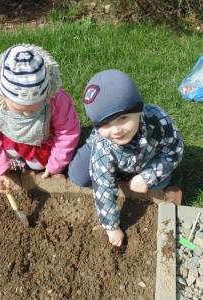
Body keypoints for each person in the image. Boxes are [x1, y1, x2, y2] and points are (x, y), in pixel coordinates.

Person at [68, 70, 184, 247]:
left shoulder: (158, 121)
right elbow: (103, 187)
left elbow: (174, 150)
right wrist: (111, 227)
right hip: (109, 154)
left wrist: (147, 176)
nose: (116, 130)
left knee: (159, 184)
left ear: (139, 111)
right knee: (78, 175)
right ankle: (115, 169)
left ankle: (132, 174)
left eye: (123, 118)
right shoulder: (103, 144)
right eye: (105, 124)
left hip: (145, 155)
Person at [0, 44, 80, 194]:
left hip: (41, 140)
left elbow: (67, 133)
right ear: (3, 96)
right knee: (6, 157)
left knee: (37, 165)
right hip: (12, 138)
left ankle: (26, 163)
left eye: (34, 109)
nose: (27, 114)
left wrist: (55, 165)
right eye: (20, 110)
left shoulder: (56, 101)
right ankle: (15, 161)